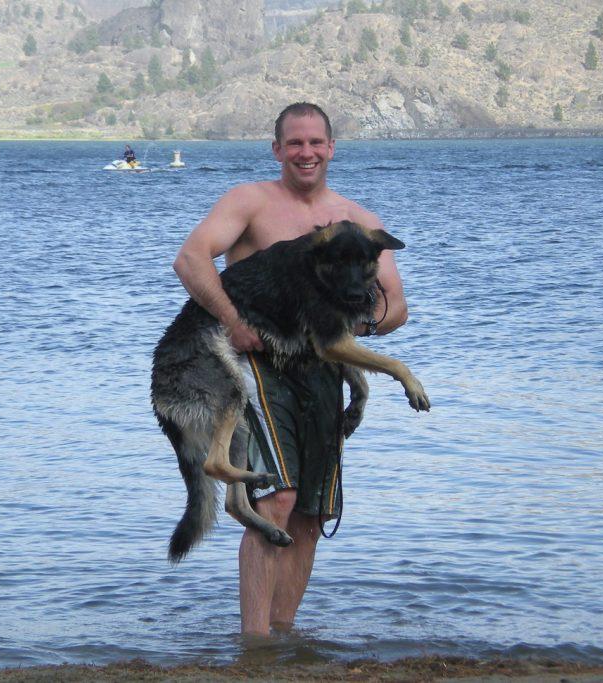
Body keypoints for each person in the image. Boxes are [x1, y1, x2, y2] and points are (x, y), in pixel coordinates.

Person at [172, 102, 409, 636]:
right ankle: (254, 645)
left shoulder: (359, 222)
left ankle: (283, 638)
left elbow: (395, 305)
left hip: (324, 371)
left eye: (316, 142)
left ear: (332, 148)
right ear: (277, 149)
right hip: (259, 366)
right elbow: (190, 259)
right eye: (295, 143)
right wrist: (232, 321)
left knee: (312, 512)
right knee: (276, 499)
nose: (306, 152)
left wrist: (362, 327)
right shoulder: (250, 201)